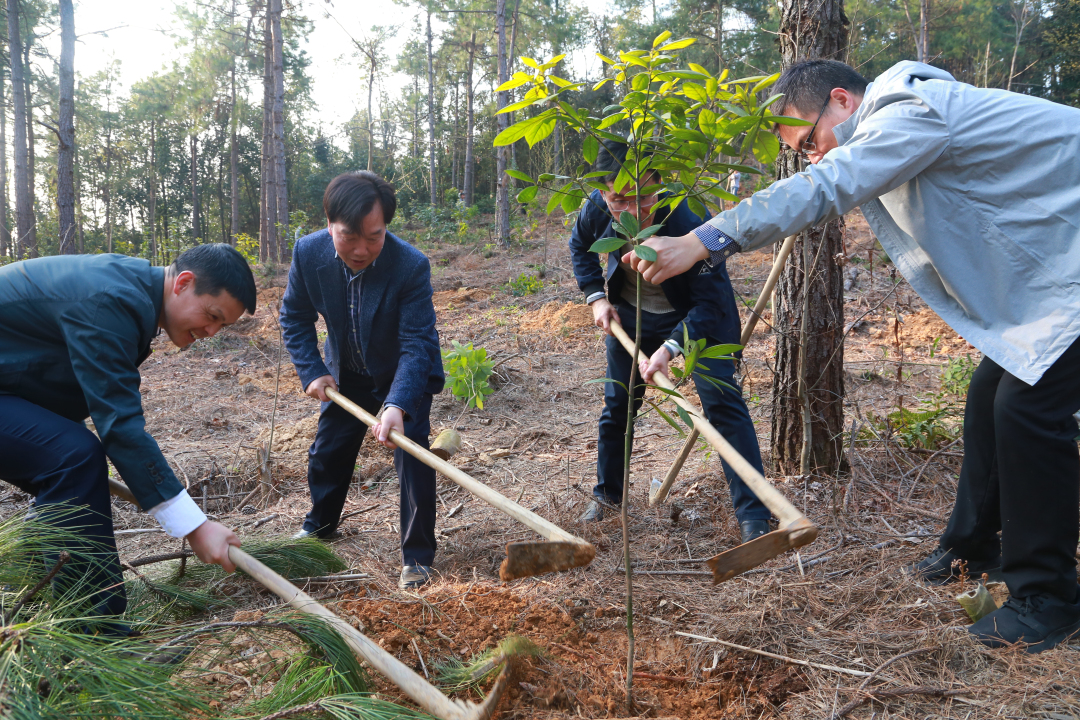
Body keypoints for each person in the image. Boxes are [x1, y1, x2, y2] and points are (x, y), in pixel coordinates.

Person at [625, 59, 1080, 652]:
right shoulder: (909, 123)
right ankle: (975, 545)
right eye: (801, 152)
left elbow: (830, 183)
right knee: (992, 395)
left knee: (1027, 412)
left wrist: (701, 239)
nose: (813, 157)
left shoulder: (912, 111)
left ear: (842, 100)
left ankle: (1047, 596)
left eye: (809, 140)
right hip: (1060, 281)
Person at [0, 244, 255, 634]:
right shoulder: (110, 300)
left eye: (222, 326)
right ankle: (91, 635)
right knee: (73, 457)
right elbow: (119, 426)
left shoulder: (131, 292)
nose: (210, 332)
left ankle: (36, 582)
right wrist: (195, 526)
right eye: (212, 315)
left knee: (70, 457)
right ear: (183, 283)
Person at [569, 141, 773, 544]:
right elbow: (580, 247)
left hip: (697, 318)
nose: (633, 211)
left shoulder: (688, 218)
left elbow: (709, 302)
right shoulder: (596, 207)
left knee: (722, 405)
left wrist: (672, 348)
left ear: (659, 185)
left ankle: (755, 515)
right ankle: (608, 497)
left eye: (643, 197)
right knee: (618, 406)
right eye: (618, 200)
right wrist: (596, 297)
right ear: (603, 191)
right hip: (633, 315)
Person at [280, 171, 444, 590]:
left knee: (413, 460)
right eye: (348, 236)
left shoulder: (409, 265)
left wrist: (397, 404)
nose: (361, 249)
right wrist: (312, 369)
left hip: (403, 375)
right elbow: (294, 317)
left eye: (374, 236)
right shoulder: (308, 253)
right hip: (346, 375)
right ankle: (320, 526)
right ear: (329, 223)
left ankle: (418, 557)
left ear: (386, 226)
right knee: (328, 452)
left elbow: (416, 343)